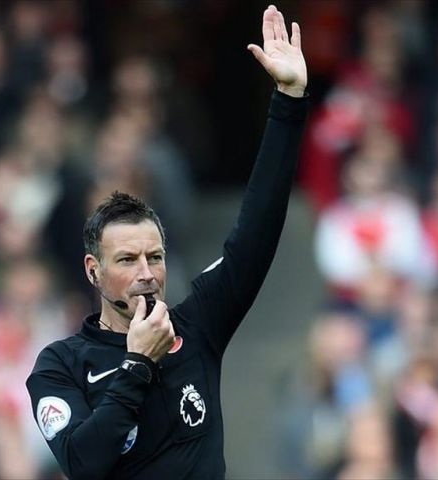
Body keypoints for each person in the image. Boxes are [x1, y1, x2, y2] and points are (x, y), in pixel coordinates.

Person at [25, 5, 308, 479]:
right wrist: (137, 363)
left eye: (154, 257)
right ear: (94, 270)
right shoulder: (61, 365)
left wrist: (289, 101)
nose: (146, 273)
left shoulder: (196, 327)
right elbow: (83, 464)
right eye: (127, 259)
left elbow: (256, 230)